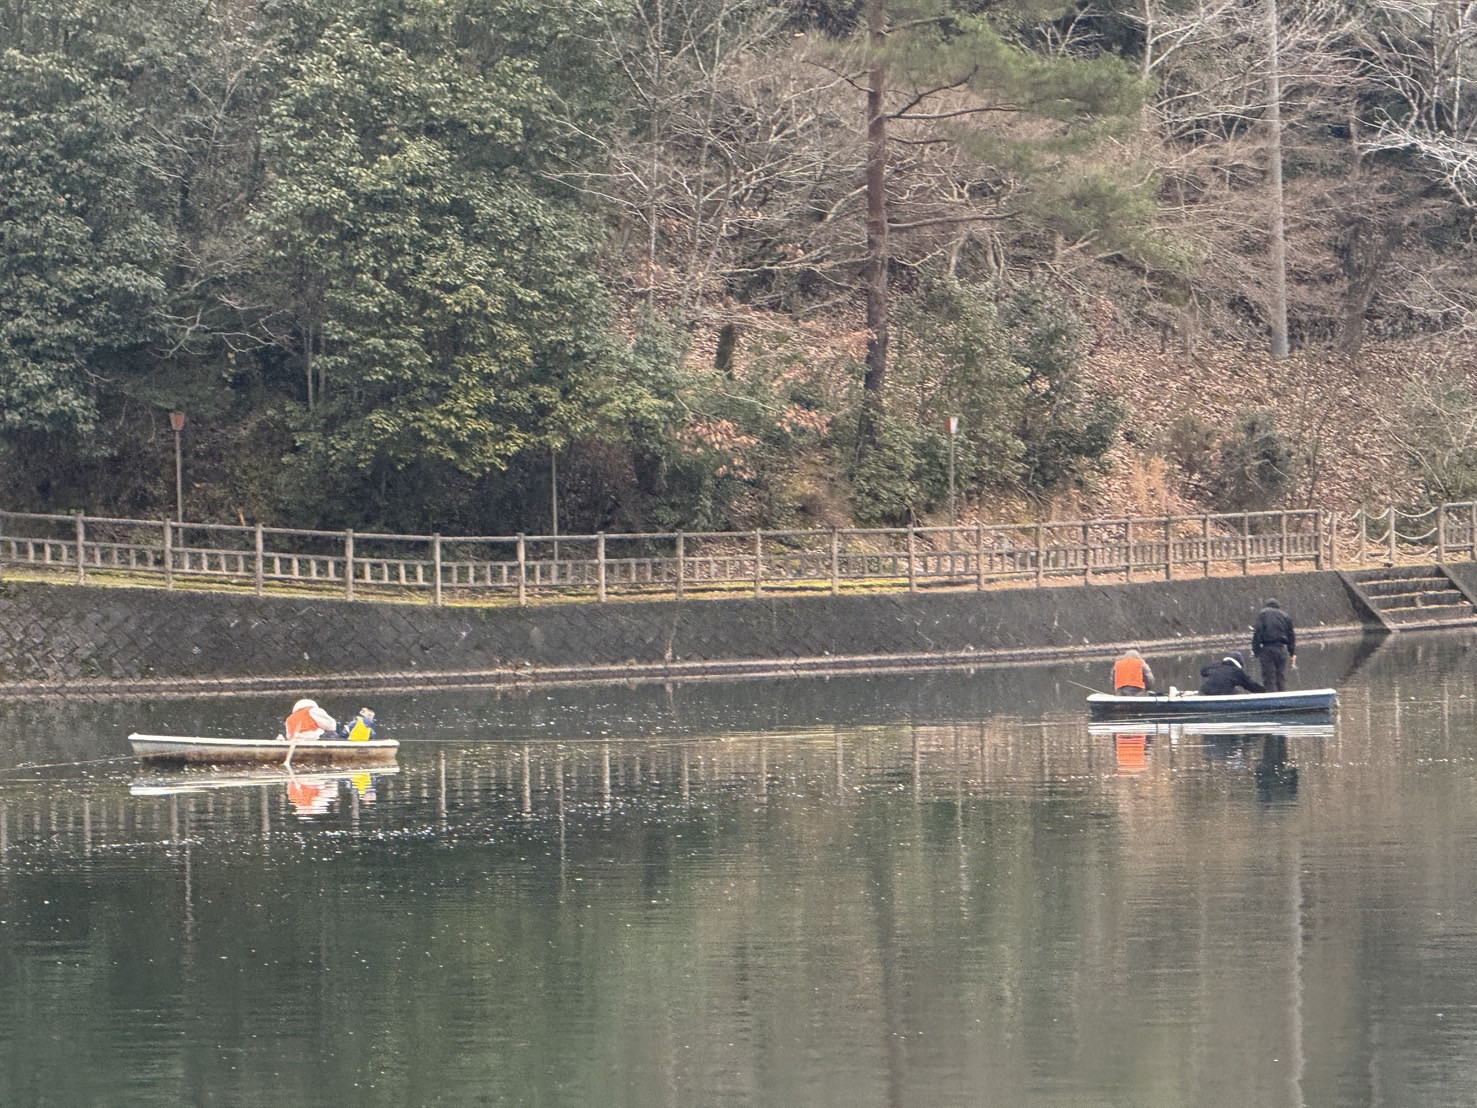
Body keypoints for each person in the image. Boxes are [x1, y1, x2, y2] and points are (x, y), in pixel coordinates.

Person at [1252, 597, 1297, 693]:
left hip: (1267, 649)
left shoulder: (1263, 614)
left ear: (1266, 605)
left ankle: (1272, 698)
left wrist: (1256, 651)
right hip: (1282, 649)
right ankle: (1282, 697)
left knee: (1269, 678)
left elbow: (1258, 634)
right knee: (1280, 677)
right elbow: (1291, 636)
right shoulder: (1285, 616)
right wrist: (1292, 653)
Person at [1198, 650, 1266, 696]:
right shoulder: (1236, 672)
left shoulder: (1215, 666)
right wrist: (1264, 691)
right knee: (1237, 693)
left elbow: (1203, 672)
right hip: (1221, 694)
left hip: (1204, 692)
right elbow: (1250, 685)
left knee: (1235, 690)